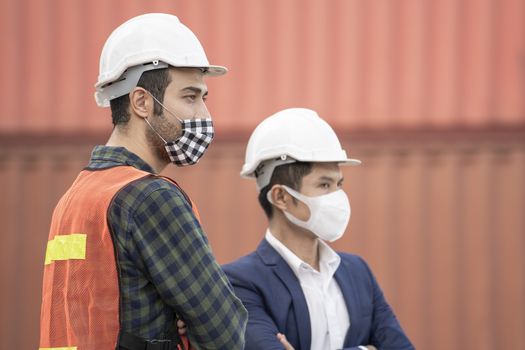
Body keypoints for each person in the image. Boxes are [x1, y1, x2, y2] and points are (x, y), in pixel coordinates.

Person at [39, 13, 247, 350]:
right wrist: (184, 328)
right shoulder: (149, 197)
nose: (203, 116)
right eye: (191, 97)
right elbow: (225, 332)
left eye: (203, 99)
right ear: (142, 102)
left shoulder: (75, 198)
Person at [222, 108, 414, 350]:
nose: (338, 197)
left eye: (339, 184)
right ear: (280, 196)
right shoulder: (238, 283)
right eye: (324, 185)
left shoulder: (358, 272)